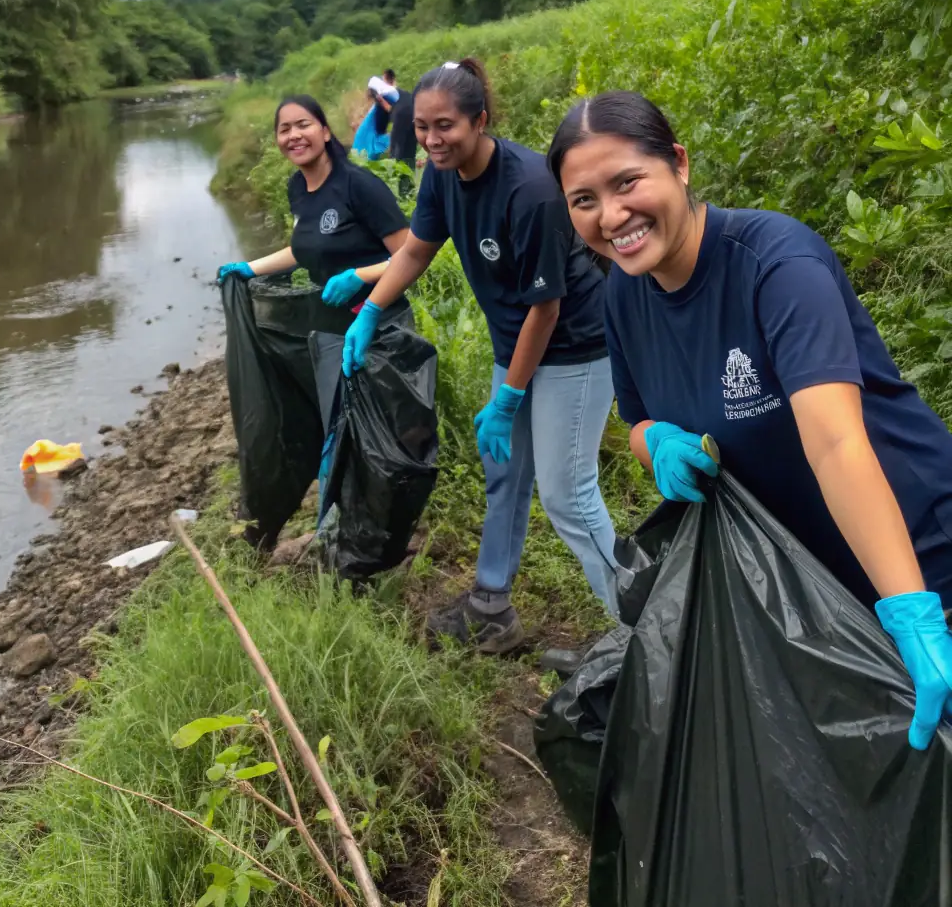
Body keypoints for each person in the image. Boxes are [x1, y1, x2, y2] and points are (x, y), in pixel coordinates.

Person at [549, 89, 952, 751]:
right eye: (583, 200)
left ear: (677, 163)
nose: (611, 215)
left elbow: (836, 444)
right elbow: (639, 420)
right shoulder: (624, 292)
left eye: (627, 182)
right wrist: (661, 447)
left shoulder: (775, 265)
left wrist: (913, 611)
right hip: (817, 589)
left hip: (919, 561)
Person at [342, 58, 619, 652]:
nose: (432, 140)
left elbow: (545, 311)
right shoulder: (441, 175)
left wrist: (508, 398)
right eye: (421, 127)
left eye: (446, 127)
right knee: (504, 474)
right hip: (513, 342)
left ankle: (647, 633)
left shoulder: (530, 190)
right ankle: (491, 606)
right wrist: (369, 311)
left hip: (577, 347)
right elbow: (415, 252)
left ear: (481, 122)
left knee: (567, 495)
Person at [218, 94, 408, 308]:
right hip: (331, 320)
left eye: (303, 125)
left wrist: (362, 276)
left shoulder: (359, 185)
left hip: (381, 320)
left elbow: (410, 258)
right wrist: (250, 268)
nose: (294, 135)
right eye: (285, 129)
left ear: (325, 132)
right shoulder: (297, 187)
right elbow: (309, 246)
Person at [376, 69, 418, 197]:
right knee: (409, 155)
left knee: (398, 156)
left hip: (402, 123)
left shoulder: (386, 94)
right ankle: (409, 191)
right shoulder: (404, 94)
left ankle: (404, 193)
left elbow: (384, 117)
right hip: (413, 121)